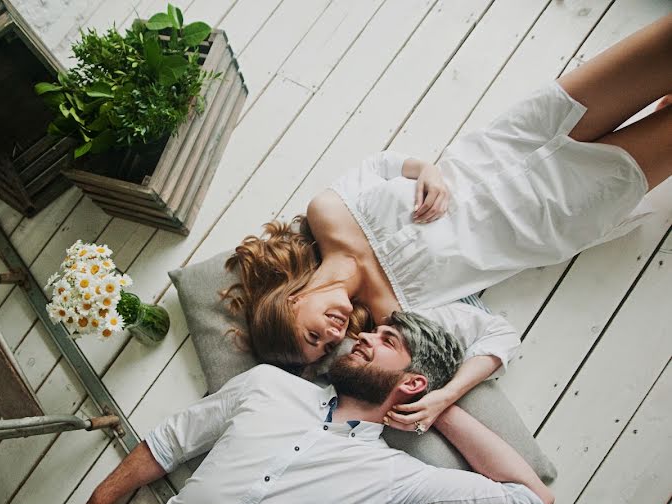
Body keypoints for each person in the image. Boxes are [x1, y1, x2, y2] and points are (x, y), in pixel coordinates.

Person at [224, 15, 672, 434]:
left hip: (515, 138)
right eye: (325, 346)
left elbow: (384, 165)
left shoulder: (327, 212)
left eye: (313, 334)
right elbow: (498, 337)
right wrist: (446, 396)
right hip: (559, 207)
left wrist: (426, 169)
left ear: (291, 300)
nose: (335, 335)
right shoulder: (400, 316)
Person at [75, 312, 554, 504]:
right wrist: (103, 498)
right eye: (372, 331)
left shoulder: (395, 477)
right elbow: (170, 442)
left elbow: (530, 497)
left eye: (388, 341)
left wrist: (440, 403)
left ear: (411, 382)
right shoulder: (267, 384)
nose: (363, 337)